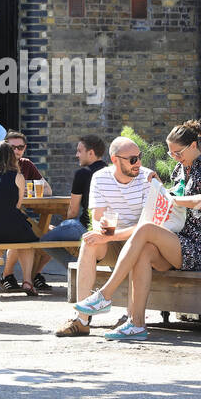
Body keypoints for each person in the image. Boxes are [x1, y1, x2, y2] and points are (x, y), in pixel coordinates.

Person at [73, 120, 201, 342]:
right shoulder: (181, 167)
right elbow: (172, 200)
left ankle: (104, 295)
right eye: (171, 153)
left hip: (194, 246)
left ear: (193, 146)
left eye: (177, 152)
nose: (174, 157)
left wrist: (172, 199)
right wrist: (161, 188)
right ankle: (136, 324)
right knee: (142, 251)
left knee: (145, 229)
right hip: (173, 238)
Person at [54, 134, 154, 337]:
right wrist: (103, 234)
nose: (138, 163)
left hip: (141, 243)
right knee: (88, 242)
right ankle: (81, 320)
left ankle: (130, 317)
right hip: (115, 240)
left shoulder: (147, 178)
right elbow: (98, 218)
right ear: (115, 159)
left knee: (138, 245)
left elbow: (146, 226)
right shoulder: (100, 178)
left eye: (139, 157)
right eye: (132, 159)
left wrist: (109, 237)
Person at [31, 135, 107, 287]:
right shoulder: (110, 170)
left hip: (86, 227)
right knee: (55, 230)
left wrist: (63, 226)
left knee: (45, 240)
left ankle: (78, 267)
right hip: (107, 228)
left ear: (91, 153)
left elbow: (73, 210)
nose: (76, 155)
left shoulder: (83, 173)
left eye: (79, 151)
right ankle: (36, 276)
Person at [0, 142, 39, 296]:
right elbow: (17, 206)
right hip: (11, 227)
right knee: (27, 242)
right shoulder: (18, 177)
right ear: (11, 158)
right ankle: (28, 282)